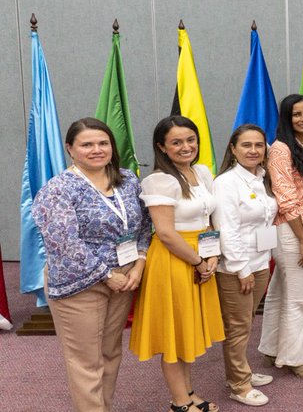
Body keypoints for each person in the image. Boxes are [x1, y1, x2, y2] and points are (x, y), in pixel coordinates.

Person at [32, 118, 152, 412]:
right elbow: (64, 242)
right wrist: (106, 275)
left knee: (110, 353)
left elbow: (145, 225)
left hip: (124, 278)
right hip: (80, 285)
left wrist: (139, 262)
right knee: (86, 361)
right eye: (87, 144)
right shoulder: (59, 188)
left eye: (103, 143)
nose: (96, 150)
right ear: (70, 149)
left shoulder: (127, 179)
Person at [130, 116, 225, 412]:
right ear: (162, 147)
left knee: (188, 331)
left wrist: (212, 255)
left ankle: (188, 391)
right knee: (174, 333)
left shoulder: (202, 172)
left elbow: (209, 218)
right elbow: (167, 233)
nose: (186, 147)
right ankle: (179, 402)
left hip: (201, 255)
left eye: (190, 140)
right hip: (174, 259)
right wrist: (198, 261)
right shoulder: (160, 179)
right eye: (176, 142)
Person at [212, 125, 278, 406]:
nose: (253, 150)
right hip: (237, 268)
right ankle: (239, 384)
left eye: (259, 145)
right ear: (233, 148)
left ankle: (243, 371)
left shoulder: (262, 178)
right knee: (238, 326)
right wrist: (242, 269)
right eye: (247, 145)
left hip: (261, 261)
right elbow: (227, 229)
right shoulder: (226, 183)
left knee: (247, 321)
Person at [258, 94, 303, 379]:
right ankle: (295, 359)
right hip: (289, 227)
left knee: (279, 290)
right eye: (297, 114)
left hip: (296, 225)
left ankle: (272, 348)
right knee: (296, 298)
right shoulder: (281, 148)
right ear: (286, 116)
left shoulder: (302, 142)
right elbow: (285, 197)